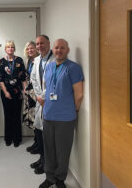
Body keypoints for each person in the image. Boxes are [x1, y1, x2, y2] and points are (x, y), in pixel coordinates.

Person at [39, 39, 84, 188]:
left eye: (62, 48)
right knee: (49, 149)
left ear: (68, 50)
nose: (59, 50)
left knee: (63, 151)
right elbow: (47, 88)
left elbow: (79, 95)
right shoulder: (50, 66)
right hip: (48, 116)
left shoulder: (73, 68)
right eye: (57, 48)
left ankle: (60, 179)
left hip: (65, 118)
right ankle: (49, 177)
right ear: (53, 49)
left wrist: (74, 110)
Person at [29, 35, 55, 175]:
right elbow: (33, 78)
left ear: (48, 43)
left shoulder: (54, 59)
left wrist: (43, 96)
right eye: (37, 44)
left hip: (50, 101)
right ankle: (42, 158)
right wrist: (39, 96)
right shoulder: (37, 59)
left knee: (47, 135)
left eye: (42, 43)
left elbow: (53, 81)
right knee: (39, 131)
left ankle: (47, 163)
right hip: (40, 100)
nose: (39, 46)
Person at [0, 40, 26, 147]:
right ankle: (8, 138)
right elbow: (0, 79)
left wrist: (25, 90)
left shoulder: (19, 60)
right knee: (8, 115)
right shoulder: (1, 61)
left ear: (14, 49)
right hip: (6, 93)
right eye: (8, 47)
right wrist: (5, 92)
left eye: (12, 47)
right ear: (5, 49)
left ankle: (17, 138)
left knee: (16, 115)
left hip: (18, 93)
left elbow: (23, 78)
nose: (10, 49)